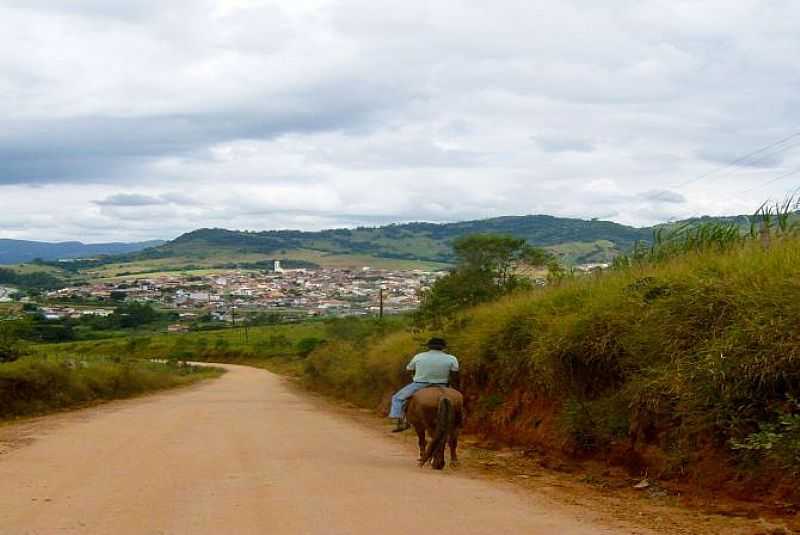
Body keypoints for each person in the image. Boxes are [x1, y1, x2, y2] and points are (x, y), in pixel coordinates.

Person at [389, 337, 460, 432]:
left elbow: (409, 369)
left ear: (428, 347)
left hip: (420, 383)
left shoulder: (419, 356)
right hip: (443, 384)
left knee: (397, 398)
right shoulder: (451, 358)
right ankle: (460, 421)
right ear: (443, 348)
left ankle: (399, 420)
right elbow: (454, 374)